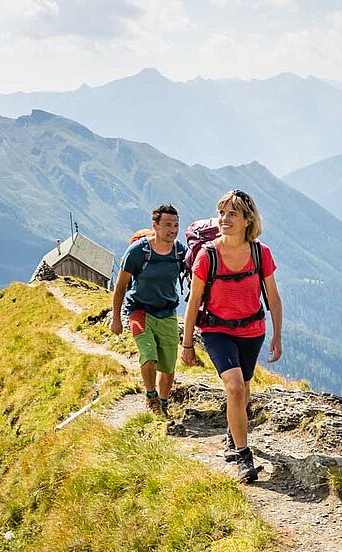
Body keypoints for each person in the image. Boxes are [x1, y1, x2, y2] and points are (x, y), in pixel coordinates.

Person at [179, 190, 282, 481]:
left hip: (252, 330)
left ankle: (231, 430)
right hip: (216, 330)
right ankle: (243, 456)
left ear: (248, 220)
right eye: (222, 213)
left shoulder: (261, 254)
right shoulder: (207, 255)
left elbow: (273, 297)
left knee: (244, 388)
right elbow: (193, 300)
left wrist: (277, 335)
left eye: (232, 214)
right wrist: (187, 344)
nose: (224, 219)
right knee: (235, 387)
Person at [110, 204, 186, 416]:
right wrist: (116, 318)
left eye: (176, 225)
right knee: (149, 354)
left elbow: (196, 273)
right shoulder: (138, 251)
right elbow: (121, 285)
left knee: (168, 366)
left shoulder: (180, 251)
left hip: (167, 312)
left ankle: (163, 402)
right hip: (139, 310)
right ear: (155, 225)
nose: (173, 229)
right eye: (168, 225)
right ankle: (151, 397)